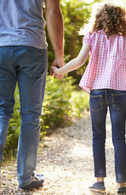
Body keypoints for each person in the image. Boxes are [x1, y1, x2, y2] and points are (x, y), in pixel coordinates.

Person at [51, 2, 126, 194]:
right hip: (118, 93)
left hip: (97, 93)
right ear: (122, 19)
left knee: (98, 137)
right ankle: (122, 184)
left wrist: (60, 71)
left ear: (97, 18)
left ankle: (99, 182)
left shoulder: (92, 36)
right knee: (119, 138)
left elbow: (79, 61)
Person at [0, 0, 64, 190]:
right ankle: (26, 179)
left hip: (1, 47)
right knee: (30, 116)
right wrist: (59, 55)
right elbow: (53, 13)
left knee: (2, 111)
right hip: (31, 46)